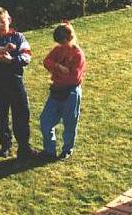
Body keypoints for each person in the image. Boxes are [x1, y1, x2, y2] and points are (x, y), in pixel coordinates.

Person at [0, 7, 38, 160]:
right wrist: (1, 50)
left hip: (15, 82)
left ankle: (24, 146)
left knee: (21, 115)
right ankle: (5, 145)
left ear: (9, 20)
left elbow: (26, 56)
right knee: (1, 116)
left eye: (2, 22)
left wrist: (12, 61)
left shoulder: (18, 37)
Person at [40, 21, 86, 161]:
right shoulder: (58, 49)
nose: (60, 45)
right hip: (56, 91)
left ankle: (67, 149)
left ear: (69, 38)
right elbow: (46, 61)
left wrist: (56, 73)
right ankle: (49, 150)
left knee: (70, 122)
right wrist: (59, 68)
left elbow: (74, 78)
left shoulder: (78, 55)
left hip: (71, 92)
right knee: (45, 121)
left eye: (62, 42)